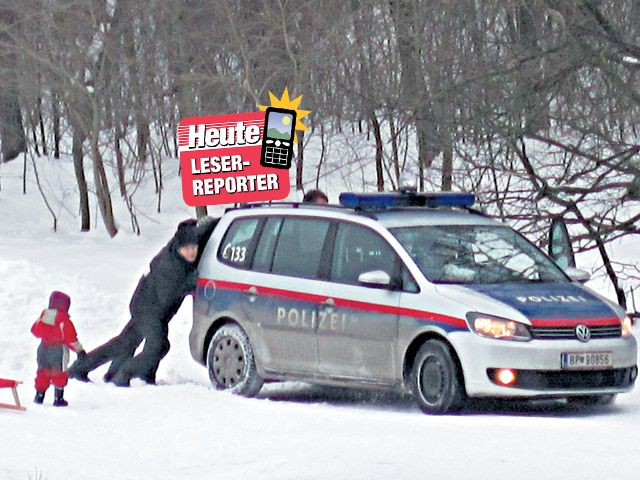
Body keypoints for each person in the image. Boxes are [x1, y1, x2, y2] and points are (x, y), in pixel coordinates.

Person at [69, 217, 218, 387]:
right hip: (149, 310)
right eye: (186, 249)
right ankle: (123, 375)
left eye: (193, 247)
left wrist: (223, 218)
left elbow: (201, 232)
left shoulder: (184, 240)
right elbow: (172, 294)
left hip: (145, 303)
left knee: (124, 344)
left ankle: (81, 369)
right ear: (178, 249)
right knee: (158, 345)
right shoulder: (171, 268)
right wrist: (195, 281)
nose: (191, 252)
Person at [31, 291, 85, 406]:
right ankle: (58, 398)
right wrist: (79, 350)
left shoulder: (43, 316)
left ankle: (39, 396)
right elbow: (71, 338)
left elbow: (34, 330)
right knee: (59, 373)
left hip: (43, 348)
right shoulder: (64, 320)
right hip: (58, 350)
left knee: (42, 371)